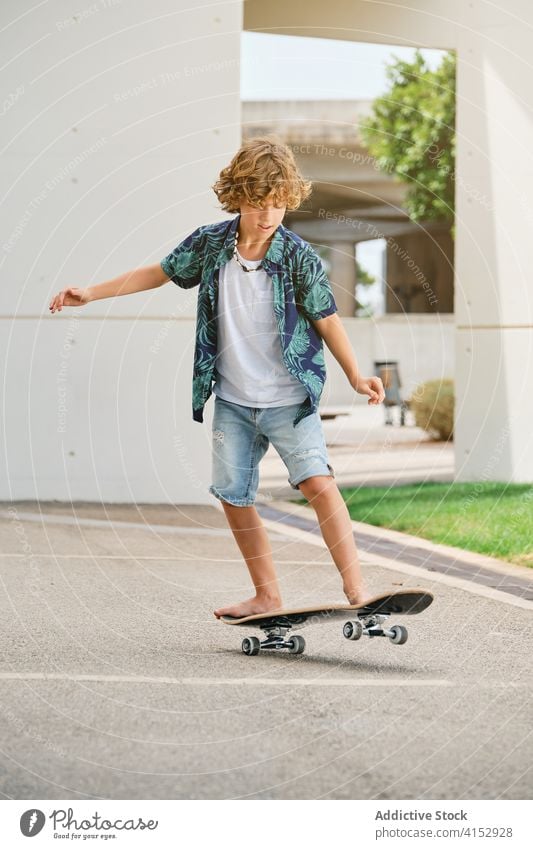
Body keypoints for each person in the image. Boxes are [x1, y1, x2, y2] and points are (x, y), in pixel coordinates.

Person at [49, 135, 385, 620]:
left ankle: (359, 591)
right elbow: (159, 273)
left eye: (278, 205)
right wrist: (92, 293)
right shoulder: (210, 244)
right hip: (232, 398)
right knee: (233, 495)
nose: (268, 215)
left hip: (289, 399)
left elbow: (327, 318)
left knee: (318, 483)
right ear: (238, 198)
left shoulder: (298, 257)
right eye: (258, 203)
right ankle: (266, 595)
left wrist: (356, 375)